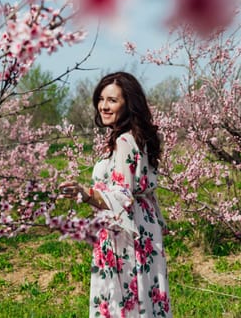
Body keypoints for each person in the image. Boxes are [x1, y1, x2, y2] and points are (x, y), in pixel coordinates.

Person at [59, 72, 172, 317]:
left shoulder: (124, 141)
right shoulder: (140, 137)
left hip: (125, 230)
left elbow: (122, 196)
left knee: (124, 299)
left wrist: (86, 194)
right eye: (101, 99)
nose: (104, 106)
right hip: (145, 226)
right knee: (145, 297)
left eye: (112, 100)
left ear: (128, 104)